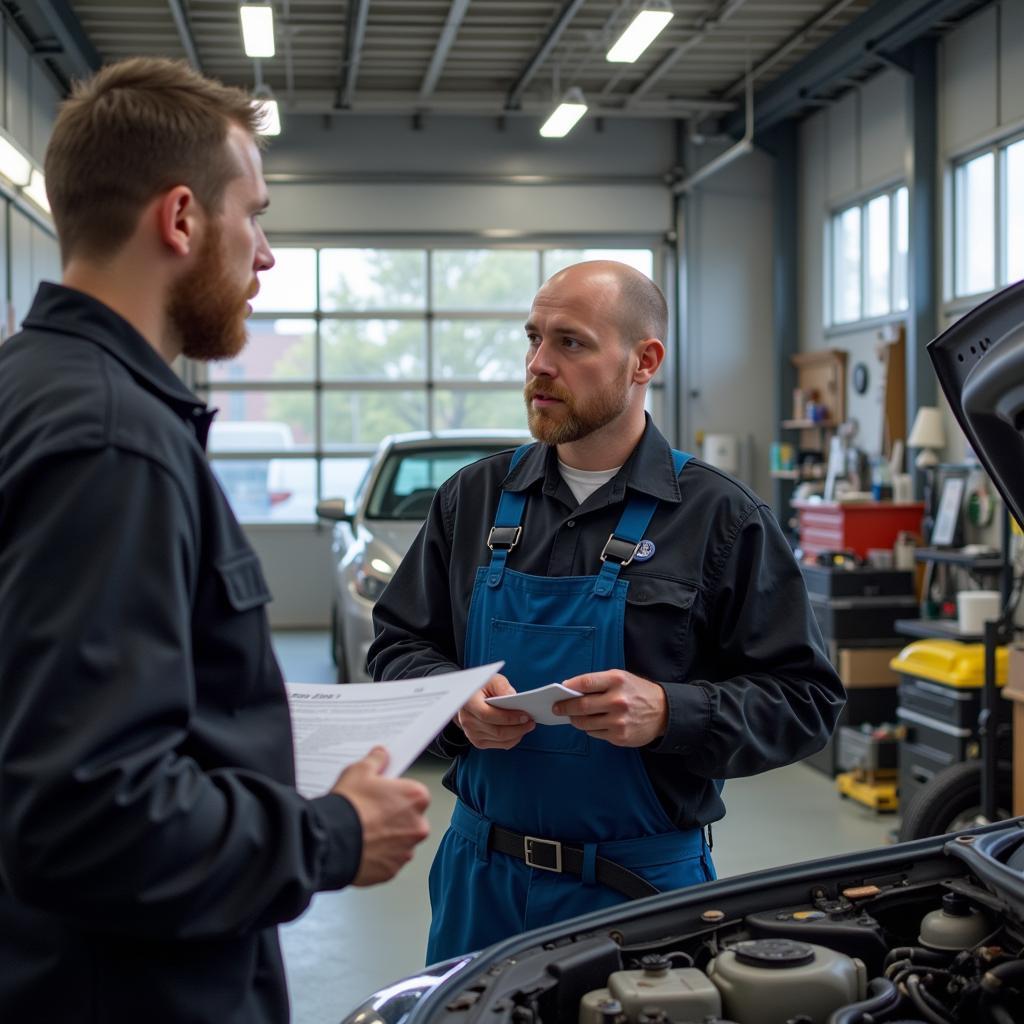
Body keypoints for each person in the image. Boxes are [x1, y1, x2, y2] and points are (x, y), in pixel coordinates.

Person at [0, 58, 430, 1022]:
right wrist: (332, 833)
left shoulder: (28, 391)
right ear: (182, 219)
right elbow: (82, 816)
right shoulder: (113, 438)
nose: (267, 253)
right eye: (256, 214)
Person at [369, 260, 846, 963]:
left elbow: (806, 699)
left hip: (640, 892)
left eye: (571, 343)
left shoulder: (720, 517)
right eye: (533, 339)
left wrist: (670, 711)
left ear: (644, 360)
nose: (539, 365)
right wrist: (453, 703)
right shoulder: (469, 500)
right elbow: (395, 651)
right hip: (481, 879)